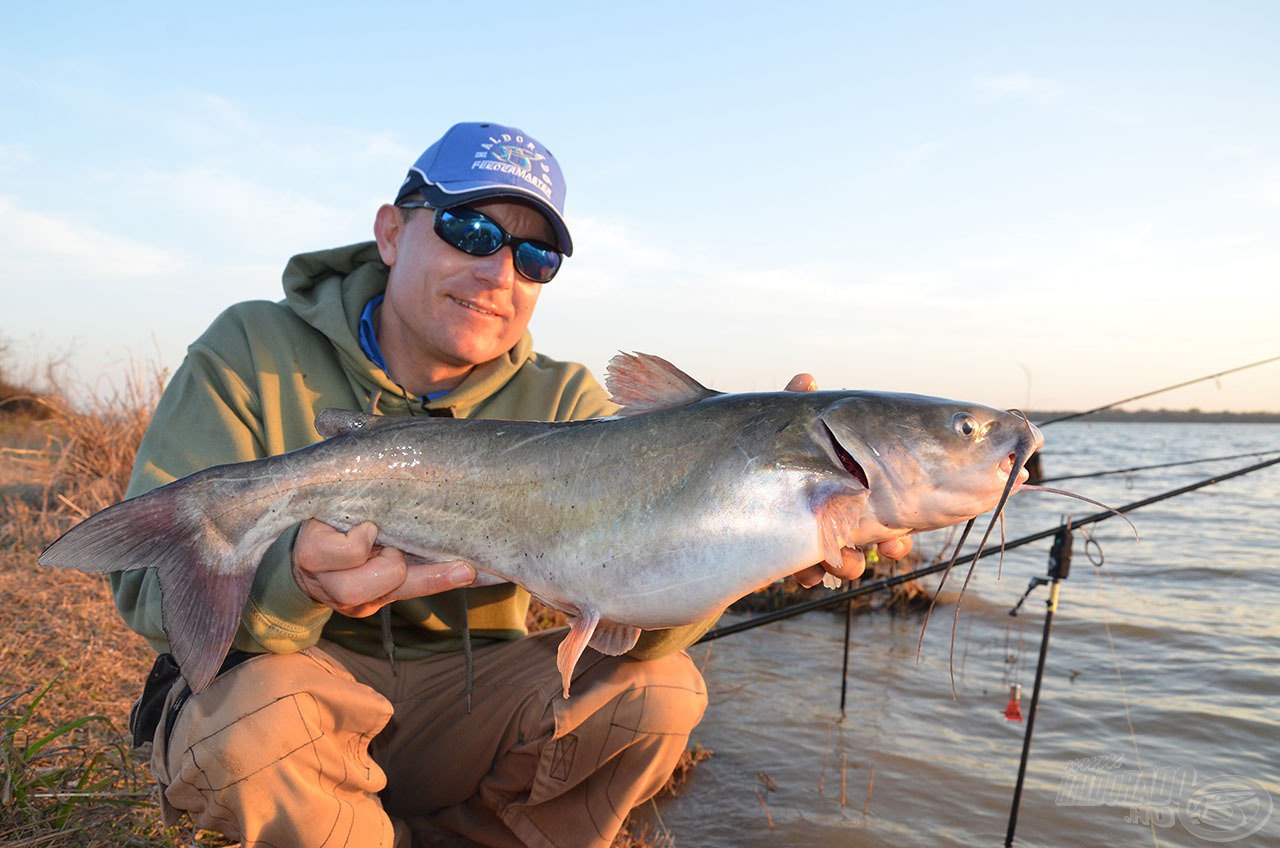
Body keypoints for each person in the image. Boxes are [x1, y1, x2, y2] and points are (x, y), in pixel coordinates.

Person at [114, 121, 911, 847]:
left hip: (464, 708)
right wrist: (294, 580)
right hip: (297, 685)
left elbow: (628, 606)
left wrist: (750, 550)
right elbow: (147, 593)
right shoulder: (251, 346)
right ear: (391, 232)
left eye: (534, 256)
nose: (498, 271)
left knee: (660, 694)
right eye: (469, 229)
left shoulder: (568, 406)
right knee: (262, 724)